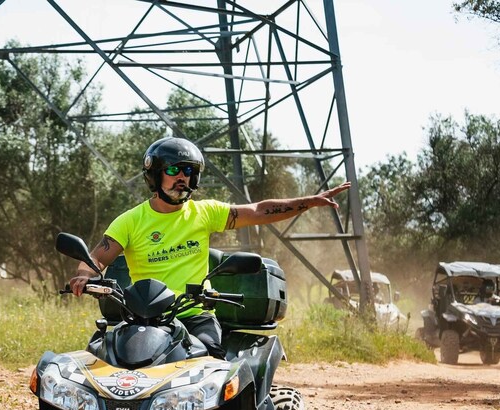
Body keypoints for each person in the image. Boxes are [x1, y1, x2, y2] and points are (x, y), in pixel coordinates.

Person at [69, 136, 350, 359]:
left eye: (189, 171)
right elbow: (96, 257)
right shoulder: (130, 221)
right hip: (143, 318)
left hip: (195, 316)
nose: (182, 177)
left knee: (212, 365)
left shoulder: (204, 213)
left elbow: (258, 211)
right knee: (106, 361)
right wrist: (84, 275)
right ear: (155, 174)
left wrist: (309, 202)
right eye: (173, 170)